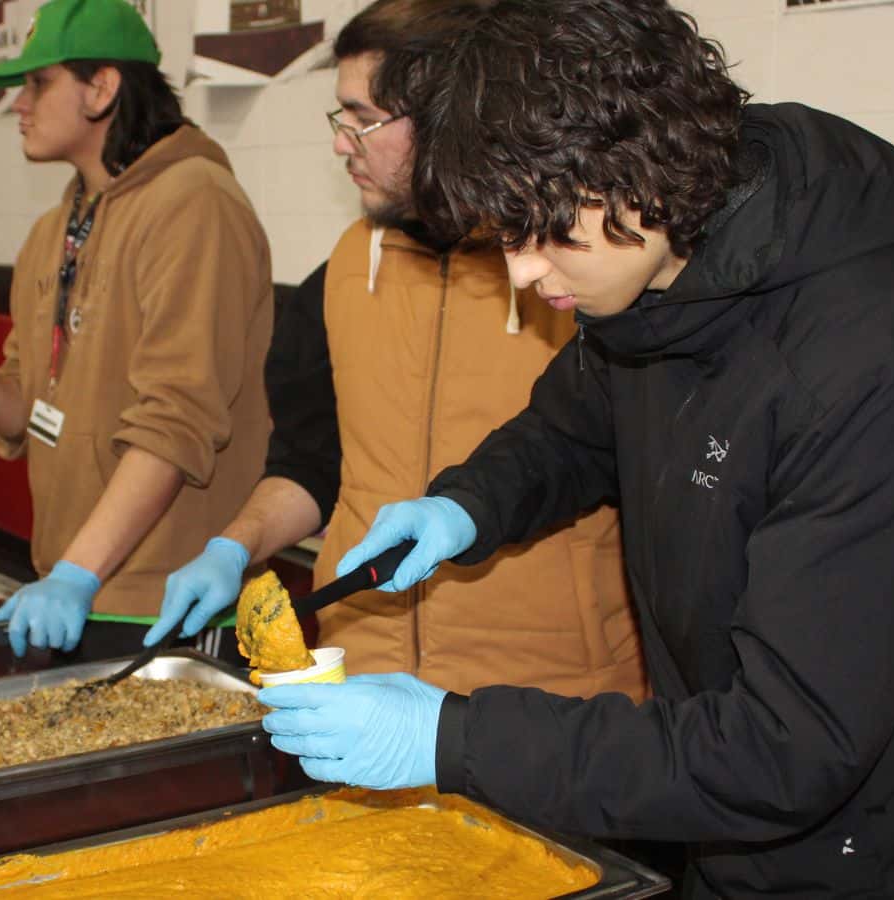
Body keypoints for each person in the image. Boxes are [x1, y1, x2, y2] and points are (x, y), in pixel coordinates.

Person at [257, 0, 894, 895]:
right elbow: (572, 428)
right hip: (716, 819)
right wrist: (466, 507)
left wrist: (453, 739)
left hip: (858, 852)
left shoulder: (868, 364)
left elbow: (789, 747)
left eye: (543, 232)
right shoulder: (645, 270)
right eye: (506, 237)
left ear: (640, 171)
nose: (525, 273)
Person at [146, 0, 645, 703]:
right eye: (339, 117)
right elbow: (312, 465)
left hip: (550, 708)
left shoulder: (574, 277)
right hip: (366, 688)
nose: (341, 142)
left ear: (452, 117)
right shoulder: (341, 276)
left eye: (363, 119)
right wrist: (235, 546)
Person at [0, 0, 272, 658]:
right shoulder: (51, 230)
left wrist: (76, 573)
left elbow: (178, 420)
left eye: (38, 83)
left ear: (103, 87)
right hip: (73, 587)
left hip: (170, 603)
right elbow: (24, 417)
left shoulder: (194, 203)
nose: (21, 105)